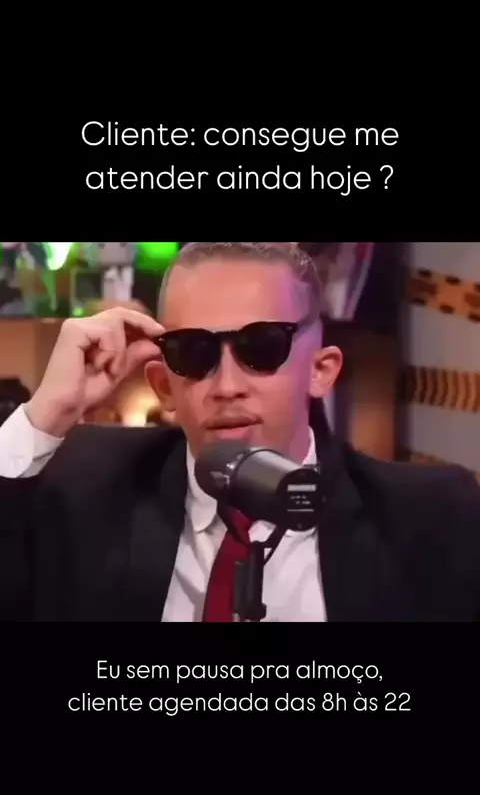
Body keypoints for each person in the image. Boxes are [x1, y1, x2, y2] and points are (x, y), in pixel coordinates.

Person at [0, 241, 479, 623]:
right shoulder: (87, 489)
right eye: (194, 352)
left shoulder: (432, 516)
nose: (227, 386)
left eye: (262, 347)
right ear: (163, 386)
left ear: (321, 370)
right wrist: (46, 412)